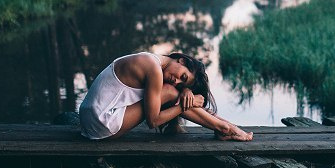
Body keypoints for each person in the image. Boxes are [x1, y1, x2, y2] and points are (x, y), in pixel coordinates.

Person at [79, 51, 253, 141]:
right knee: (172, 94)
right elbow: (152, 121)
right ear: (182, 61)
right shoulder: (153, 68)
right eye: (183, 77)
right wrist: (179, 105)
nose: (176, 81)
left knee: (175, 94)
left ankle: (226, 126)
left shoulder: (153, 61)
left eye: (181, 83)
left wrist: (185, 92)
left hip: (90, 119)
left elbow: (169, 91)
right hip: (101, 122)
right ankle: (225, 128)